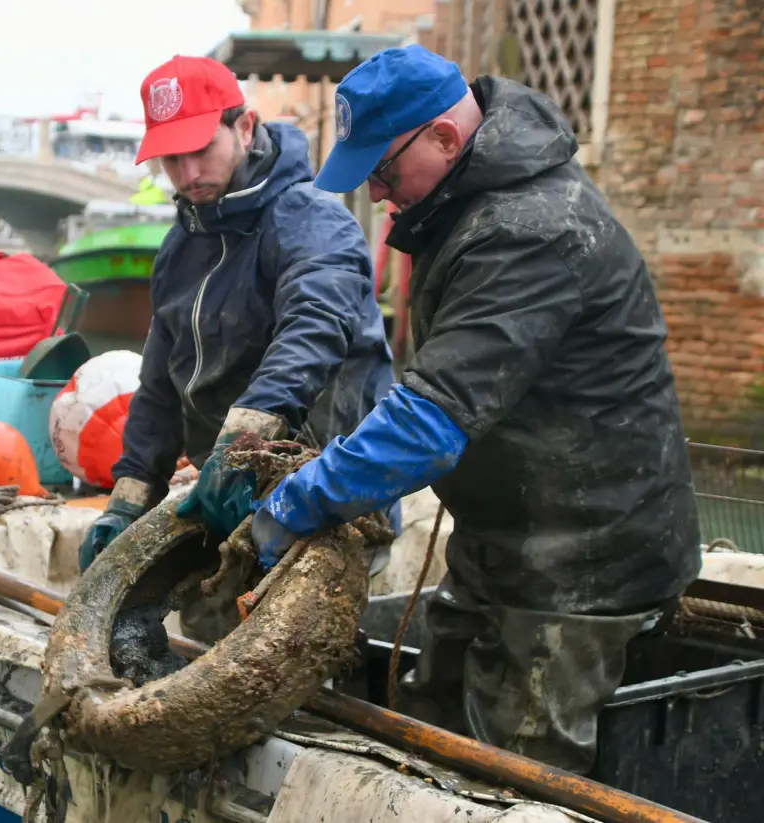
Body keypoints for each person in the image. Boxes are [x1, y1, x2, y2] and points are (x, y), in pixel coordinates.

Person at [249, 44, 701, 773]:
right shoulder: (471, 211)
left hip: (583, 560)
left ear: (447, 138)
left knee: (509, 781)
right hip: (505, 543)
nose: (379, 193)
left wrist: (297, 502)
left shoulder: (528, 229)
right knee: (425, 739)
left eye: (384, 172)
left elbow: (431, 420)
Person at [77, 55, 398, 642]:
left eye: (202, 148)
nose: (189, 170)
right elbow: (157, 388)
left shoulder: (310, 221)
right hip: (221, 502)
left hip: (325, 500)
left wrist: (238, 448)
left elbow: (313, 328)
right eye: (172, 157)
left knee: (292, 664)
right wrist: (126, 500)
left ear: (245, 128)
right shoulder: (178, 250)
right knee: (203, 647)